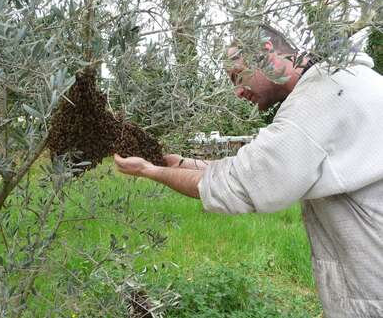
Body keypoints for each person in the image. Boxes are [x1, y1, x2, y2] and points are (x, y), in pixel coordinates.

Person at [114, 25, 383, 318]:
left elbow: (241, 185)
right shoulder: (340, 83)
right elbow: (253, 167)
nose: (238, 91)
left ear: (265, 52)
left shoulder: (318, 100)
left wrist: (151, 171)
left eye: (236, 76)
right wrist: (177, 164)